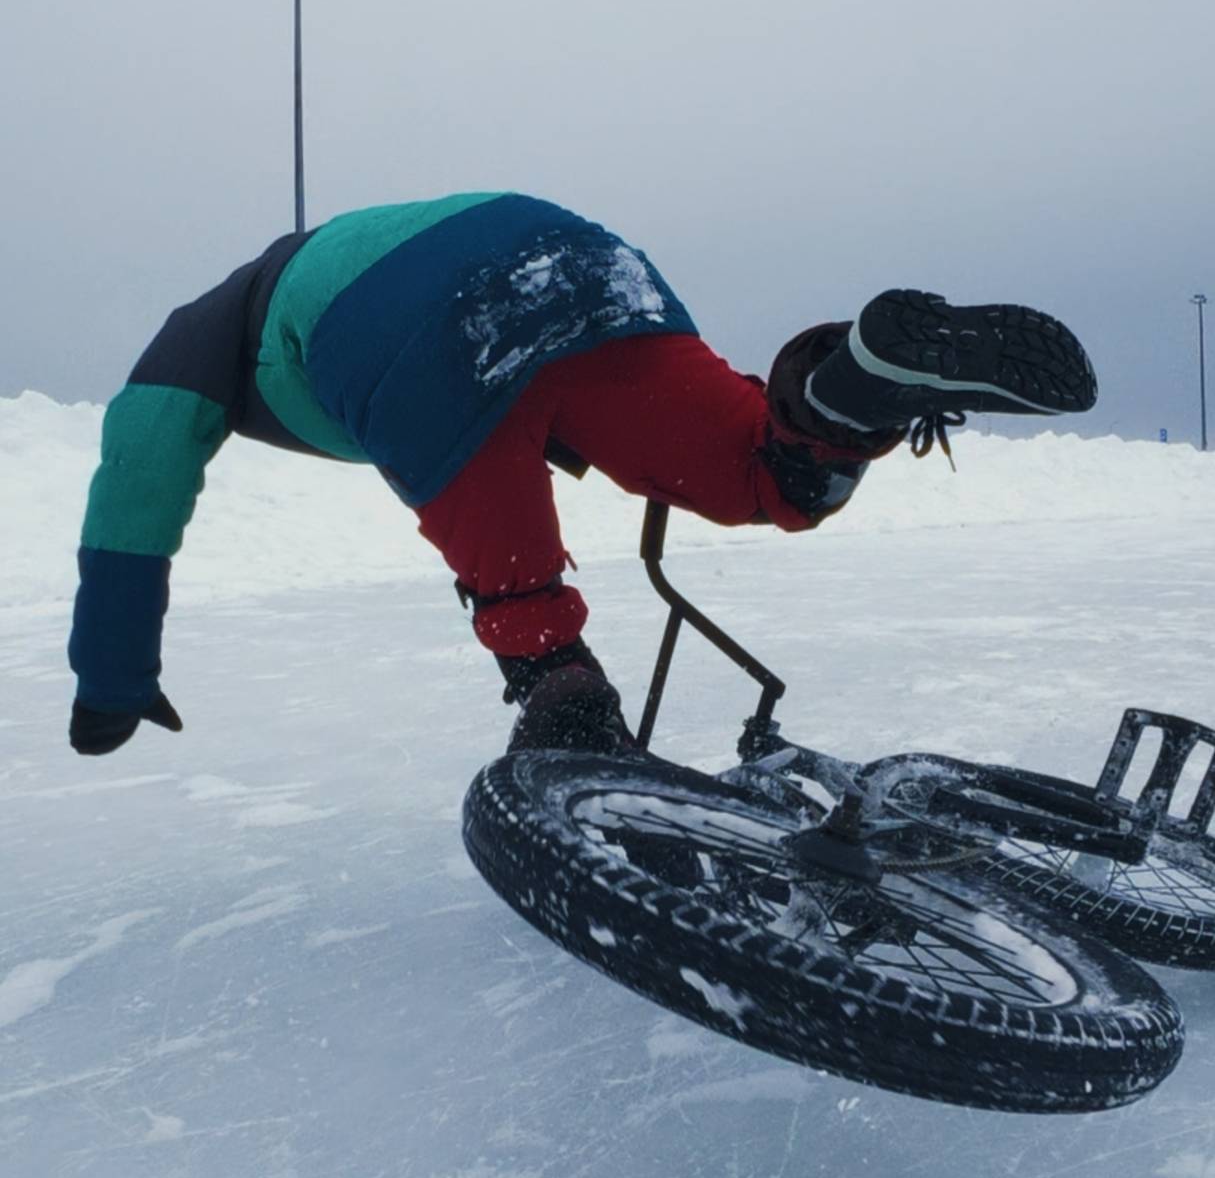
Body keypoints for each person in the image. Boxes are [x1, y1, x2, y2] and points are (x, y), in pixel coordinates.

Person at [67, 191, 1097, 757]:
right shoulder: (352, 241)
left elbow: (135, 491)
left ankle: (564, 702)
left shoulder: (191, 340)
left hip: (406, 320)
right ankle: (848, 392)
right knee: (757, 469)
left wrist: (110, 679)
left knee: (501, 543)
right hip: (578, 259)